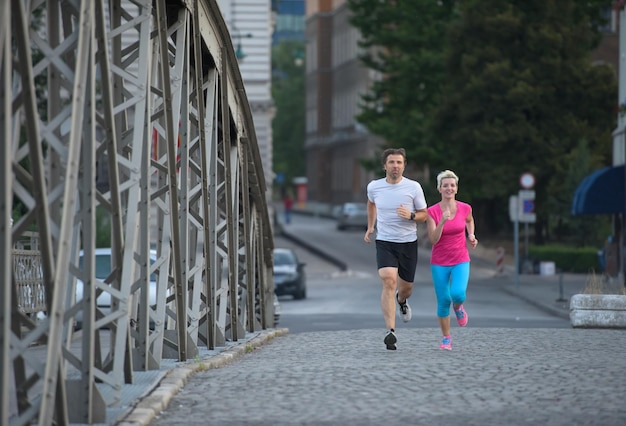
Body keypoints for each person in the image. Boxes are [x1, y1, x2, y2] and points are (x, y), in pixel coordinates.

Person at [364, 148, 428, 350]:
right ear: (384, 165)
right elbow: (371, 204)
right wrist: (370, 226)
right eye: (391, 162)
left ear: (404, 165)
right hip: (385, 241)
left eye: (399, 162)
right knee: (389, 281)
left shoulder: (413, 187)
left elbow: (424, 214)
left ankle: (402, 301)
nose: (395, 166)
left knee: (405, 288)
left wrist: (410, 216)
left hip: (408, 242)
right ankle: (390, 331)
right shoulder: (375, 187)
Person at [426, 170, 478, 350]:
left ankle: (459, 307)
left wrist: (471, 235)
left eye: (452, 185)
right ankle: (446, 337)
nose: (449, 188)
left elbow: (470, 221)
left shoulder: (465, 208)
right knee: (443, 300)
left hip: (460, 259)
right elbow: (433, 239)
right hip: (439, 262)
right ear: (439, 188)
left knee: (457, 295)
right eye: (445, 185)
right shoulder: (431, 211)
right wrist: (442, 222)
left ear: (456, 188)